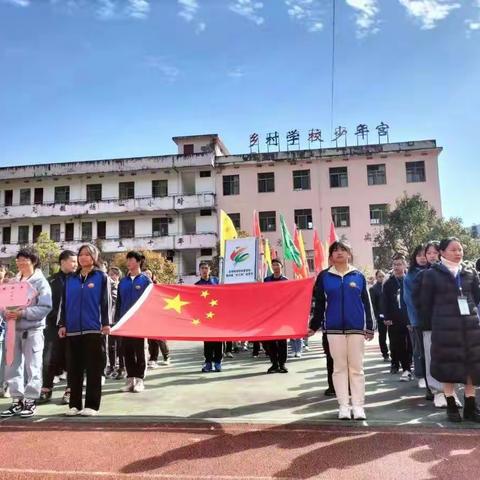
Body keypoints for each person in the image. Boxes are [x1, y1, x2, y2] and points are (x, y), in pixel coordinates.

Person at [309, 241, 374, 420]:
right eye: (335, 250)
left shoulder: (358, 276)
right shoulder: (324, 277)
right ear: (330, 256)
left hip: (356, 329)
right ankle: (343, 406)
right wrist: (314, 326)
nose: (339, 253)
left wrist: (369, 326)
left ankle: (358, 406)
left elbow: (367, 303)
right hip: (334, 329)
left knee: (357, 368)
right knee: (339, 368)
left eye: (343, 250)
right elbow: (319, 304)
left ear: (349, 254)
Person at [419, 237, 480, 423]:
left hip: (469, 328)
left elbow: (476, 298)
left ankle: (470, 406)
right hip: (444, 328)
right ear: (442, 252)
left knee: (472, 366)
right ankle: (451, 405)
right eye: (453, 249)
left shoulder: (470, 272)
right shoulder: (431, 274)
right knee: (448, 366)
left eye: (460, 249)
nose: (458, 253)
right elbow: (425, 303)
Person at [58, 244, 111, 416]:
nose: (83, 257)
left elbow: (106, 302)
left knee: (94, 369)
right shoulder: (70, 279)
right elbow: (63, 304)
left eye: (88, 254)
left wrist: (106, 323)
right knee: (74, 370)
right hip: (72, 330)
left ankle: (92, 406)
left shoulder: (101, 277)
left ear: (94, 258)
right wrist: (62, 324)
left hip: (94, 329)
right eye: (81, 254)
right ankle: (74, 405)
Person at [1, 248, 52, 418]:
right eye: (19, 260)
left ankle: (30, 400)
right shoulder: (14, 281)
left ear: (33, 261)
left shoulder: (41, 282)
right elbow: (4, 304)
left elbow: (45, 307)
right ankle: (17, 399)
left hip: (32, 330)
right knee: (12, 365)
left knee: (33, 365)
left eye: (25, 259)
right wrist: (5, 313)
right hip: (13, 329)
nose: (21, 263)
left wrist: (23, 313)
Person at [38, 250, 77, 405]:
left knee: (72, 358)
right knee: (48, 359)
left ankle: (70, 390)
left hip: (74, 325)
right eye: (72, 261)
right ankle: (46, 388)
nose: (75, 264)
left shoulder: (79, 279)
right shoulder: (51, 281)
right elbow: (45, 304)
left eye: (76, 261)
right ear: (62, 262)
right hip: (52, 326)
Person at [413, 241, 449, 408]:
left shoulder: (451, 273)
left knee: (449, 359)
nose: (432, 255)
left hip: (449, 324)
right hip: (429, 324)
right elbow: (417, 301)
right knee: (431, 358)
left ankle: (450, 391)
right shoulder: (421, 276)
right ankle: (437, 392)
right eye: (429, 253)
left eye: (435, 252)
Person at [116, 252, 152, 393]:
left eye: (131, 259)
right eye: (128, 260)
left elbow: (150, 302)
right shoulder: (123, 282)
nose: (128, 262)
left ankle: (140, 380)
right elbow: (119, 303)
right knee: (127, 351)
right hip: (125, 322)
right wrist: (117, 321)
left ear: (138, 262)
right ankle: (130, 379)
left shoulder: (145, 281)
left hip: (140, 322)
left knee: (139, 351)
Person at [383, 254, 412, 380]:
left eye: (399, 264)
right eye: (395, 264)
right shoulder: (388, 283)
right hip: (394, 319)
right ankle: (405, 368)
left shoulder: (409, 280)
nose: (397, 267)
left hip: (409, 317)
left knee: (410, 343)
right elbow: (385, 301)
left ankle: (410, 364)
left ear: (405, 265)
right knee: (398, 344)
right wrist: (387, 317)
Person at [403, 246, 428, 391]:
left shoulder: (434, 271)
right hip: (418, 318)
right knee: (420, 349)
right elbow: (409, 300)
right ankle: (420, 375)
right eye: (419, 255)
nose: (423, 257)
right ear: (414, 258)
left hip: (435, 318)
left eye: (425, 254)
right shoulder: (410, 275)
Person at [195, 262, 222, 373]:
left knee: (218, 340)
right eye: (202, 268)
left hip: (217, 316)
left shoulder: (217, 281)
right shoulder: (197, 285)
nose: (205, 270)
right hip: (205, 317)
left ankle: (218, 363)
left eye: (206, 268)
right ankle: (208, 363)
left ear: (210, 270)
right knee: (207, 341)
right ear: (199, 271)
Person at [264, 259, 289, 374]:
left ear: (281, 266)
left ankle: (282, 364)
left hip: (282, 315)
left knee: (282, 341)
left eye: (277, 265)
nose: (275, 267)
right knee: (271, 341)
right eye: (273, 265)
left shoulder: (286, 281)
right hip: (270, 315)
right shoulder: (266, 280)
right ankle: (274, 363)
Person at [107, 267, 125, 379]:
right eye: (110, 274)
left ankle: (122, 368)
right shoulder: (106, 287)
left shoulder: (121, 287)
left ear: (118, 275)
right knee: (111, 345)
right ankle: (112, 366)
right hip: (109, 320)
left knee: (121, 345)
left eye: (114, 274)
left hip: (119, 320)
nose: (112, 277)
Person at [369, 270, 388, 361]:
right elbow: (373, 304)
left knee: (393, 336)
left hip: (390, 315)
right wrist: (377, 316)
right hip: (381, 316)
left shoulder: (388, 286)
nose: (381, 278)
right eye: (380, 276)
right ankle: (385, 353)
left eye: (383, 276)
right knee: (382, 336)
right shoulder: (373, 289)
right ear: (376, 277)